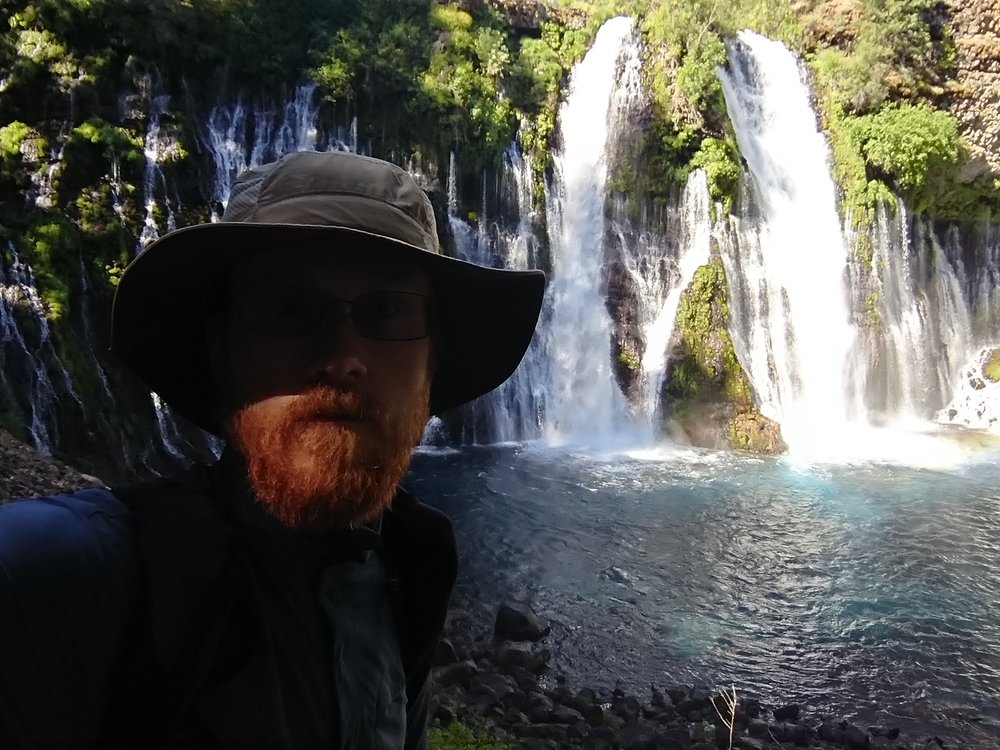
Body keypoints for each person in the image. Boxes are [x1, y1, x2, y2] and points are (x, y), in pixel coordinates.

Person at [0, 150, 546, 748]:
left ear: (431, 364)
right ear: (220, 350)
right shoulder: (70, 580)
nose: (342, 360)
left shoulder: (410, 570)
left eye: (387, 311)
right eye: (289, 309)